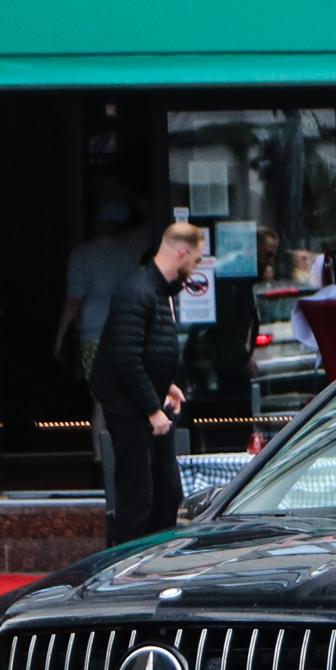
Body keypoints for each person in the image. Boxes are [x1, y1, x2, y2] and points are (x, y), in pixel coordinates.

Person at [87, 222, 201, 546]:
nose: (194, 270)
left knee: (168, 494)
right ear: (182, 253)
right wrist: (153, 409)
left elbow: (145, 348)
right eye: (195, 260)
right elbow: (124, 357)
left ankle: (157, 562)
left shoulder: (157, 291)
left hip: (148, 399)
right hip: (130, 407)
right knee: (138, 499)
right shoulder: (137, 291)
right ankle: (122, 573)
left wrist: (166, 385)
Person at [51, 198, 150, 377]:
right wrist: (124, 192)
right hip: (129, 330)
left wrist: (60, 336)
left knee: (100, 396)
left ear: (96, 222)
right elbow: (159, 213)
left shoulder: (81, 254)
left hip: (94, 332)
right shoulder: (134, 243)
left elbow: (74, 300)